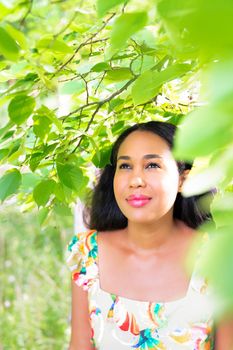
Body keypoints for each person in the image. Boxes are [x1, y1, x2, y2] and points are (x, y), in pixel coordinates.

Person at [66, 121, 232, 349]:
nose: (135, 180)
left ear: (183, 179)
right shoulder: (88, 253)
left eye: (152, 165)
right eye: (125, 167)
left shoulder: (217, 257)